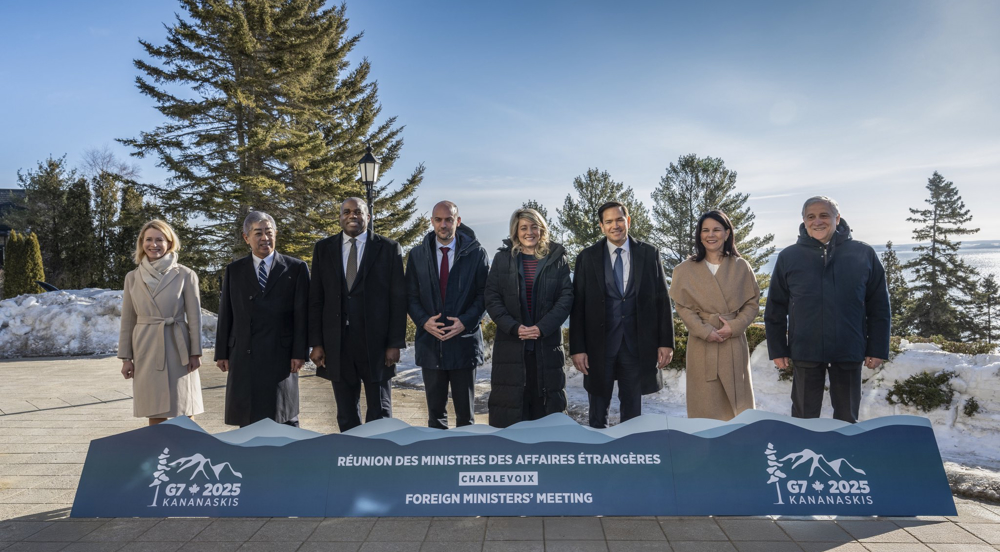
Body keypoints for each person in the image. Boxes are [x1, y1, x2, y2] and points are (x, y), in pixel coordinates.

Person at [764, 196, 891, 423]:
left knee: (847, 419)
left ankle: (845, 456)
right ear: (803, 221)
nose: (817, 221)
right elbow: (775, 308)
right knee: (803, 418)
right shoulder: (789, 257)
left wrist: (878, 348)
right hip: (805, 349)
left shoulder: (863, 254)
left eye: (824, 215)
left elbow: (879, 306)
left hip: (848, 348)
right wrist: (778, 349)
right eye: (811, 216)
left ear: (837, 218)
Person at [569, 201, 675, 428]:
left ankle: (631, 452)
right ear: (601, 226)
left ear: (628, 221)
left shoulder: (649, 253)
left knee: (632, 410)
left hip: (635, 344)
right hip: (600, 345)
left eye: (619, 220)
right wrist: (578, 348)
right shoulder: (587, 257)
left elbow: (662, 300)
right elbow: (578, 306)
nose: (614, 225)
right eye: (608, 222)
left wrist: (666, 342)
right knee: (598, 409)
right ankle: (598, 451)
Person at [308, 198, 406, 432]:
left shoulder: (388, 248)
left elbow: (398, 299)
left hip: (377, 345)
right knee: (346, 412)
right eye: (347, 212)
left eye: (358, 212)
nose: (352, 216)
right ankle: (351, 458)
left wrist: (394, 342)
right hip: (337, 344)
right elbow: (316, 299)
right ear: (340, 217)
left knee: (380, 412)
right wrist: (316, 343)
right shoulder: (324, 249)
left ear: (368, 217)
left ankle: (380, 458)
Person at [215, 212, 309, 427]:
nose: (264, 237)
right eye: (258, 233)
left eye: (269, 232)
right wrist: (222, 352)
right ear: (246, 237)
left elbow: (302, 315)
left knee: (284, 417)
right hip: (244, 354)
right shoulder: (234, 270)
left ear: (276, 234)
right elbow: (226, 313)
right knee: (248, 420)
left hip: (282, 355)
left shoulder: (296, 268)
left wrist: (299, 352)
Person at [485, 208, 573, 428]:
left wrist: (542, 328)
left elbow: (566, 297)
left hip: (546, 346)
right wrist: (514, 328)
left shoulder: (557, 258)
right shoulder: (502, 259)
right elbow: (492, 297)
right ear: (516, 231)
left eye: (534, 226)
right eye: (524, 227)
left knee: (546, 412)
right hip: (511, 347)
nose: (529, 232)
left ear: (542, 229)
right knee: (512, 412)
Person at [669, 210, 760, 421]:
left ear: (727, 233)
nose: (711, 235)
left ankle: (739, 448)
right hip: (702, 345)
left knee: (738, 407)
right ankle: (706, 448)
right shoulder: (684, 269)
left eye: (717, 230)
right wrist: (703, 330)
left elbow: (752, 303)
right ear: (699, 235)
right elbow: (683, 306)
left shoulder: (741, 266)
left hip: (733, 343)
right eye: (705, 230)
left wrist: (735, 326)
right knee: (705, 405)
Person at [407, 201, 489, 429]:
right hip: (430, 345)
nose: (443, 224)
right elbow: (410, 296)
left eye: (449, 219)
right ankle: (439, 462)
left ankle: (465, 462)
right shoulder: (417, 255)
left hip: (464, 343)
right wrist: (424, 322)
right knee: (435, 417)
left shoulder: (476, 254)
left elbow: (485, 295)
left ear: (458, 221)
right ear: (432, 221)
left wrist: (465, 322)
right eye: (438, 219)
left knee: (466, 418)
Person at [118, 219, 203, 425]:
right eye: (148, 239)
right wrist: (126, 358)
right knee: (154, 407)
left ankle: (189, 451)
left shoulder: (185, 275)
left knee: (184, 405)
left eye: (159, 240)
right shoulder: (132, 277)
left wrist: (195, 352)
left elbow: (194, 318)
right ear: (141, 243)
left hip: (178, 345)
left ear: (169, 243)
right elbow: (128, 320)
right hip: (146, 347)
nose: (153, 244)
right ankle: (160, 454)